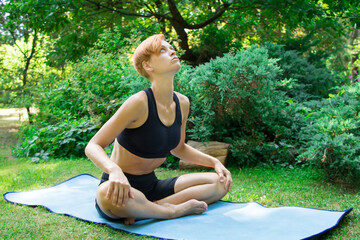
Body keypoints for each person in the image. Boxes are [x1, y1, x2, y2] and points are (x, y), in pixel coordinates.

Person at [85, 34, 232, 225]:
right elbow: (93, 145)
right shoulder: (139, 102)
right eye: (162, 50)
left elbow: (178, 148)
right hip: (122, 188)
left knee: (220, 183)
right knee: (106, 195)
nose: (172, 51)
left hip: (152, 186)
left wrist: (214, 163)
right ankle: (170, 211)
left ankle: (147, 210)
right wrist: (113, 171)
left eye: (171, 48)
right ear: (148, 65)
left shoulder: (182, 103)